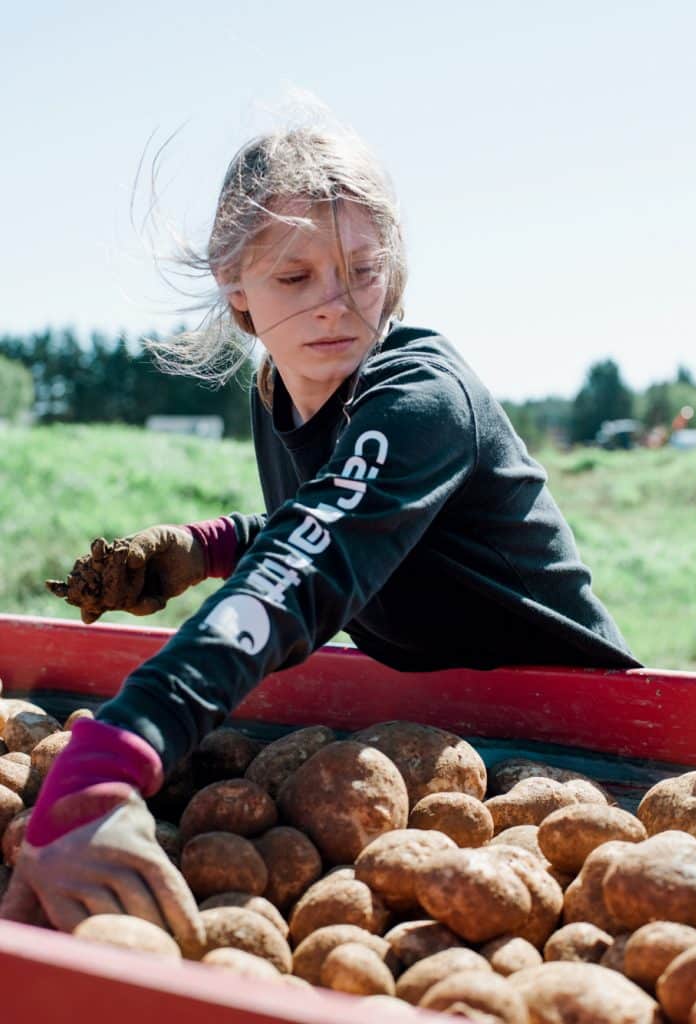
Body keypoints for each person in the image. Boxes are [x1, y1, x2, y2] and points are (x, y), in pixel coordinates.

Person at [2, 125, 639, 942]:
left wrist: (111, 759)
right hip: (440, 733)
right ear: (234, 285)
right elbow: (344, 527)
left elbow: (311, 566)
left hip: (584, 750)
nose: (334, 303)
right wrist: (215, 543)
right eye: (295, 276)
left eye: (364, 272)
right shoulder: (278, 389)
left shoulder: (420, 395)